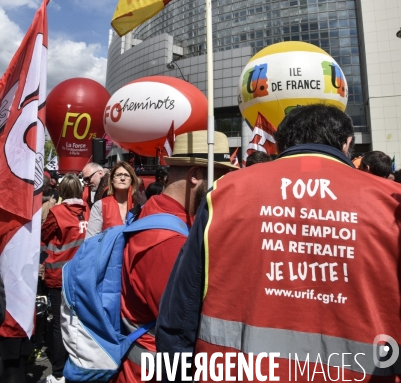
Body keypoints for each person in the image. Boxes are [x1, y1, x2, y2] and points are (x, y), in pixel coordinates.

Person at [157, 104, 401, 382]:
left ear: (281, 143)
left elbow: (181, 312)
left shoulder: (225, 193)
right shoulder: (391, 202)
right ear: (347, 144)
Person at [116, 130, 238, 383]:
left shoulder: (159, 213)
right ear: (195, 176)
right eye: (220, 177)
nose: (223, 187)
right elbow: (185, 324)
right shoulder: (169, 242)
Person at [41, 173, 89, 383]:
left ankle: (59, 372)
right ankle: (80, 364)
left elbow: (43, 235)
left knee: (59, 323)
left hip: (59, 275)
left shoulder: (57, 212)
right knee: (81, 322)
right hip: (82, 275)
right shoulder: (88, 210)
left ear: (61, 191)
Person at [85, 161, 138, 239]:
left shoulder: (138, 205)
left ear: (132, 180)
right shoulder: (100, 205)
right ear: (112, 180)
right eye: (119, 175)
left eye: (126, 175)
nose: (122, 178)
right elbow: (90, 240)